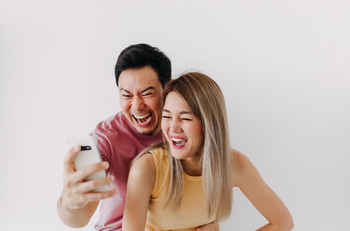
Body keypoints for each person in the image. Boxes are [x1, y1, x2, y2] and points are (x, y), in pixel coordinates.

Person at [57, 44, 219, 231]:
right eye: (126, 95)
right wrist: (68, 203)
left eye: (147, 94)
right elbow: (79, 217)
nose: (136, 106)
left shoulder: (189, 131)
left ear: (168, 87)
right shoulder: (106, 139)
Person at [122, 72, 294, 231]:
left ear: (209, 124)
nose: (172, 128)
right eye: (167, 116)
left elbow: (282, 222)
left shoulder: (235, 164)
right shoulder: (147, 168)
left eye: (185, 118)